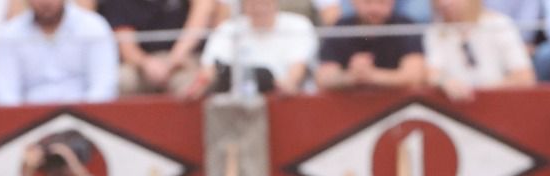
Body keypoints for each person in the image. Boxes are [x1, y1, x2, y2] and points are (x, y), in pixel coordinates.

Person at [0, 0, 120, 105]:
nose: (46, 2)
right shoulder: (10, 33)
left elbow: (103, 88)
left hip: (86, 125)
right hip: (26, 128)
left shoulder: (94, 27)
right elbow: (4, 94)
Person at [188, 0, 318, 96]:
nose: (258, 7)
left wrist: (283, 85)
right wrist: (199, 86)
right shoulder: (228, 29)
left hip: (283, 102)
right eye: (252, 3)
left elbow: (295, 74)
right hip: (234, 106)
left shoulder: (298, 26)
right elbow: (209, 69)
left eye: (263, 2)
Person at [424, 0, 535, 100]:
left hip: (499, 105)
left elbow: (525, 77)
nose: (444, 3)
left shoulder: (499, 25)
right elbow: (433, 73)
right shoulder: (435, 32)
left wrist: (483, 92)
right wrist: (445, 82)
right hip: (455, 109)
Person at [100, 0, 214, 95]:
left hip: (184, 58)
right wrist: (146, 63)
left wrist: (174, 59)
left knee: (193, 84)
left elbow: (202, 13)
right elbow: (126, 45)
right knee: (121, 80)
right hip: (140, 63)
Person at [316, 0, 428, 90]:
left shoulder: (404, 27)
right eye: (368, 2)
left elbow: (415, 75)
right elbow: (323, 77)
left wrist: (372, 75)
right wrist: (351, 77)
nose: (375, 9)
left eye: (381, 2)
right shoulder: (342, 28)